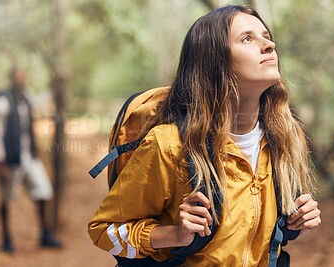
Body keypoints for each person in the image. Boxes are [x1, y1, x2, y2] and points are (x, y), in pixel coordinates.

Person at [88, 4, 321, 266]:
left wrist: (297, 222)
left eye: (267, 37)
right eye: (247, 38)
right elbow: (103, 230)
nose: (269, 46)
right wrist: (172, 234)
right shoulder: (169, 146)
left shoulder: (285, 140)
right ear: (214, 62)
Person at [0, 67, 63, 252]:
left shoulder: (26, 97)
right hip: (10, 160)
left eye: (24, 77)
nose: (21, 80)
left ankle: (45, 235)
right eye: (18, 77)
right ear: (12, 79)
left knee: (44, 192)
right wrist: (0, 163)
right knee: (7, 199)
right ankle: (6, 238)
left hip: (29, 157)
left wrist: (53, 85)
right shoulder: (1, 102)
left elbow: (39, 102)